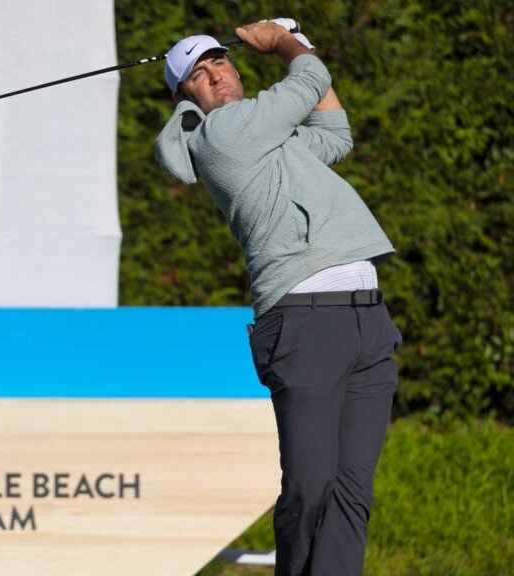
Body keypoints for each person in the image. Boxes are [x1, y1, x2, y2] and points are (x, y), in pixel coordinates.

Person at [154, 20, 403, 576]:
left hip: (367, 320)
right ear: (184, 99)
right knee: (311, 486)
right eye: (197, 74)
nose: (214, 75)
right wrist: (286, 42)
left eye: (219, 62)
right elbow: (309, 77)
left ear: (234, 69)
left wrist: (299, 42)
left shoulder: (273, 141)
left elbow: (335, 135)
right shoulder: (223, 134)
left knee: (349, 493)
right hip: (304, 322)